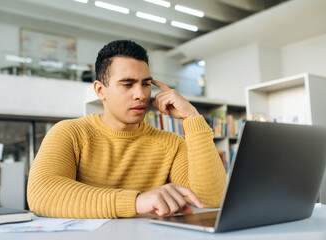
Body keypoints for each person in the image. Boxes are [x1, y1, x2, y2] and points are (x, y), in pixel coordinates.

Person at [27, 40, 226, 219]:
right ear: (99, 90)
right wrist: (137, 201)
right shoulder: (69, 132)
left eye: (146, 84)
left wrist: (192, 119)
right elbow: (42, 194)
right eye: (127, 84)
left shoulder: (172, 144)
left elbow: (210, 202)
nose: (140, 94)